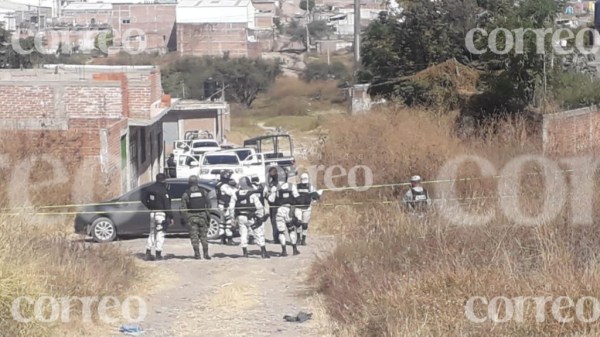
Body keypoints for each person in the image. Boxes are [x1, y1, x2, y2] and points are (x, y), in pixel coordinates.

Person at [229, 176, 269, 259]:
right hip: (251, 217)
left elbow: (231, 208)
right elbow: (259, 207)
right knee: (258, 233)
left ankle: (245, 253)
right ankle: (263, 252)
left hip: (240, 217)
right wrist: (260, 217)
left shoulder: (235, 194)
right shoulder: (252, 194)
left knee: (243, 234)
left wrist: (232, 219)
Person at [142, 173, 173, 261]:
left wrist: (149, 206)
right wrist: (170, 216)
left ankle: (148, 252)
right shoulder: (164, 191)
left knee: (152, 232)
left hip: (152, 213)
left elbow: (143, 199)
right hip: (161, 214)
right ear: (164, 180)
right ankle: (158, 254)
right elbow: (167, 205)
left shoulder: (149, 188)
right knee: (160, 233)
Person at [268, 174, 300, 257]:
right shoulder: (292, 186)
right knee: (291, 230)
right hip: (289, 210)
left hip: (280, 210)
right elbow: (297, 197)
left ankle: (284, 251)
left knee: (281, 232)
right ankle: (295, 249)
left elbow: (270, 199)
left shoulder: (275, 187)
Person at [180, 175, 211, 260]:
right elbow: (209, 204)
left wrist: (184, 218)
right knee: (204, 236)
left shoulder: (186, 193)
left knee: (194, 237)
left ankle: (197, 254)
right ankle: (206, 254)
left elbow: (183, 207)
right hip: (202, 217)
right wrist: (208, 216)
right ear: (197, 182)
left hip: (192, 217)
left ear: (189, 183)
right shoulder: (203, 192)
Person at [295, 173, 319, 246]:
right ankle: (298, 238)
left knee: (304, 224)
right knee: (298, 223)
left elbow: (315, 197)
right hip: (298, 207)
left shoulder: (310, 187)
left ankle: (303, 239)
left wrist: (314, 198)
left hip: (307, 208)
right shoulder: (297, 187)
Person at [216, 170, 236, 245]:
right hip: (225, 206)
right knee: (228, 222)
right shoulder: (224, 186)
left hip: (220, 205)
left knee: (222, 221)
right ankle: (229, 239)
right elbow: (232, 193)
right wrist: (235, 187)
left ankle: (222, 239)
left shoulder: (218, 184)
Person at [267, 167, 281, 244]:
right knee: (274, 222)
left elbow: (272, 197)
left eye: (271, 173)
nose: (270, 174)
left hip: (275, 205)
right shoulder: (272, 182)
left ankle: (277, 239)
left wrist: (267, 196)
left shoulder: (276, 183)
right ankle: (276, 238)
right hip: (272, 205)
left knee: (275, 222)